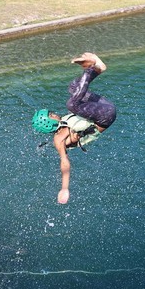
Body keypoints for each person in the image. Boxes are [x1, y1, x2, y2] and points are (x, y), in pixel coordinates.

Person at [31, 52, 117, 204]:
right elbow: (64, 162)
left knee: (73, 88)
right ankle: (90, 67)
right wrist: (65, 188)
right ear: (47, 122)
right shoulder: (59, 139)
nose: (54, 113)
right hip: (105, 116)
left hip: (103, 109)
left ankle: (98, 68)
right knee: (71, 104)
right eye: (50, 114)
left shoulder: (62, 124)